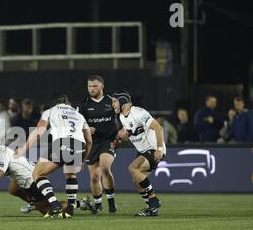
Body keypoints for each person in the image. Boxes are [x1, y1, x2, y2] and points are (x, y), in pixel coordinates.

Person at [14, 93, 92, 219]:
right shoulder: (79, 115)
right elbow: (89, 141)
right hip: (79, 144)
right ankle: (70, 209)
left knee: (37, 174)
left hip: (62, 142)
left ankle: (55, 206)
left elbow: (39, 131)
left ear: (54, 103)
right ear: (68, 103)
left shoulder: (50, 111)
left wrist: (23, 149)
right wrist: (82, 160)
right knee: (70, 174)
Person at [0, 145, 67, 216]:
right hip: (26, 174)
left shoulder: (1, 155)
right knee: (13, 189)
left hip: (31, 180)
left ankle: (75, 204)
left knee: (48, 210)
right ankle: (32, 203)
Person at [112, 91, 166, 217]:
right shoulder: (121, 116)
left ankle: (154, 200)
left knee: (133, 168)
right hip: (143, 151)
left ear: (123, 102)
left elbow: (158, 128)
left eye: (115, 101)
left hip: (153, 149)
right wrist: (120, 141)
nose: (113, 104)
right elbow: (131, 133)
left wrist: (159, 149)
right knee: (137, 182)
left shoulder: (138, 112)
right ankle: (152, 209)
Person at [77, 75, 121, 214]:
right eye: (89, 86)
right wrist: (86, 129)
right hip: (91, 143)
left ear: (102, 86)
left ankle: (111, 202)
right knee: (94, 176)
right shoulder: (83, 104)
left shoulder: (112, 101)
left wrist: (118, 110)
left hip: (108, 140)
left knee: (104, 168)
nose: (91, 89)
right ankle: (98, 204)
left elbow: (122, 117)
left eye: (94, 86)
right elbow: (77, 124)